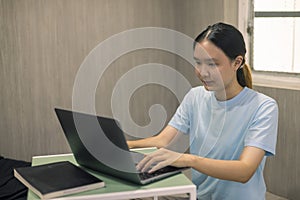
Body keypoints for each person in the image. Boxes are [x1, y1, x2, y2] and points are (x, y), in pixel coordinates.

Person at [127, 22, 278, 200]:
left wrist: (188, 159)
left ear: (237, 62)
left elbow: (244, 171)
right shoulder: (195, 97)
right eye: (198, 63)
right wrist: (122, 144)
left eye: (212, 64)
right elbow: (162, 140)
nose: (202, 72)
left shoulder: (264, 107)